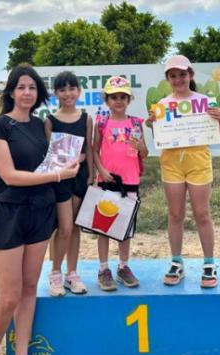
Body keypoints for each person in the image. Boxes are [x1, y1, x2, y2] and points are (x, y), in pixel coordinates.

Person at [0, 64, 78, 355]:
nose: (27, 93)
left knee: (30, 288)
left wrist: (73, 164)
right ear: (10, 92)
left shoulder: (40, 126)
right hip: (7, 214)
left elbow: (53, 160)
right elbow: (10, 176)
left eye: (32, 88)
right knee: (8, 296)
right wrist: (59, 176)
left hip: (39, 212)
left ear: (38, 94)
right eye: (21, 87)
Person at [146, 55, 220, 288]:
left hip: (198, 160)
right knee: (175, 214)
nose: (178, 79)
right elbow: (158, 139)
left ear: (190, 75)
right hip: (171, 162)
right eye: (173, 75)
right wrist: (155, 124)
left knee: (202, 213)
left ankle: (209, 263)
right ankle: (176, 261)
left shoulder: (204, 101)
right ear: (168, 79)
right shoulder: (161, 106)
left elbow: (214, 134)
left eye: (182, 74)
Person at [92, 76, 148, 292]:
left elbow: (144, 153)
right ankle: (103, 268)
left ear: (129, 99)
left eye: (123, 97)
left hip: (131, 182)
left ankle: (123, 266)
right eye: (114, 97)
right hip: (107, 181)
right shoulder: (102, 123)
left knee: (125, 228)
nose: (118, 101)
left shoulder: (135, 123)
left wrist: (141, 146)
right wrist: (101, 170)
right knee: (104, 227)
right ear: (107, 100)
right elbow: (95, 150)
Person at [44, 71, 93, 296]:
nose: (68, 94)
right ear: (56, 93)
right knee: (63, 228)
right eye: (62, 90)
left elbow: (89, 150)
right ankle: (55, 273)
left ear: (79, 91)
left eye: (72, 89)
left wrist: (91, 175)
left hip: (80, 178)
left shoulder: (86, 118)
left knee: (75, 227)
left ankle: (72, 273)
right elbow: (49, 154)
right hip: (60, 180)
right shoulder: (50, 121)